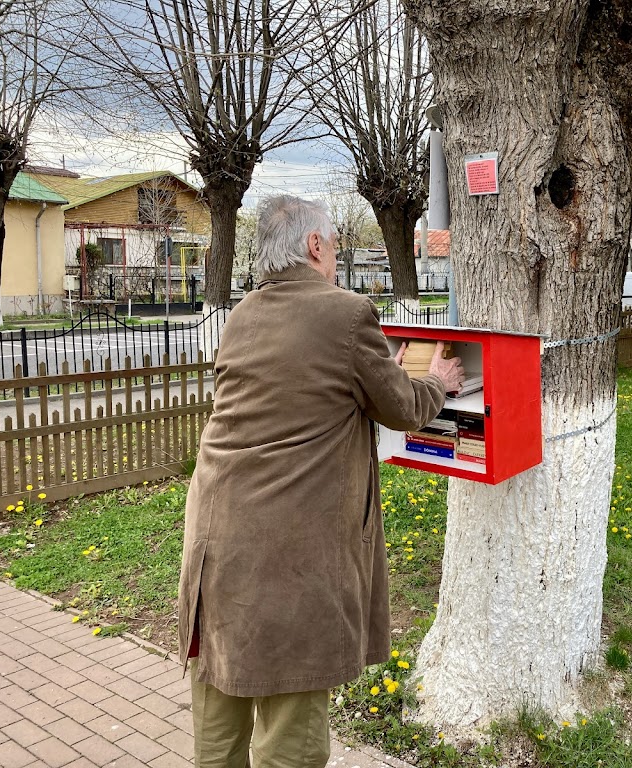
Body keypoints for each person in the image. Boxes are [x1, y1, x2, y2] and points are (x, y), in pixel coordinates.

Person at [177, 194, 464, 768]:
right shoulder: (347, 314)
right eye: (333, 244)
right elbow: (403, 407)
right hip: (289, 555)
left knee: (218, 726)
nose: (334, 255)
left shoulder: (242, 314)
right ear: (314, 245)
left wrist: (375, 371)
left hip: (215, 542)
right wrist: (436, 380)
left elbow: (301, 391)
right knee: (291, 740)